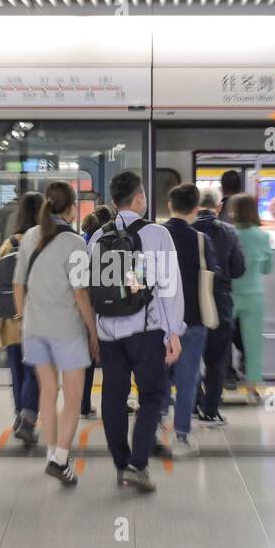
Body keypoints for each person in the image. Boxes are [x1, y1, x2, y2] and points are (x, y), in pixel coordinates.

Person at [88, 170, 183, 493]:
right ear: (140, 197)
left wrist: (94, 333)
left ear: (114, 202)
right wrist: (174, 333)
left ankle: (120, 464)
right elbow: (170, 288)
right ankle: (137, 464)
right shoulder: (157, 234)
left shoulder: (97, 237)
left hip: (108, 332)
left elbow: (90, 287)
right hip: (145, 330)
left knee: (113, 399)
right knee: (153, 395)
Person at [13, 181, 97, 485]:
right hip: (66, 330)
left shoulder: (30, 236)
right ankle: (61, 459)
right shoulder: (75, 242)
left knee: (48, 392)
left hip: (35, 328)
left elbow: (18, 284)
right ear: (72, 207)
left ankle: (51, 453)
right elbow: (81, 295)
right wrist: (93, 331)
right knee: (73, 396)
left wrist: (25, 318)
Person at [162, 184, 220, 457]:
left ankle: (156, 419)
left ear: (169, 205)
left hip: (158, 319)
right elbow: (213, 272)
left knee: (157, 371)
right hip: (192, 318)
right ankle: (181, 434)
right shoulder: (201, 240)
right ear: (196, 209)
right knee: (188, 376)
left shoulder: (156, 236)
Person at [192, 189, 244, 426]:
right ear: (218, 207)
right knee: (216, 358)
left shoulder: (186, 229)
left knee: (191, 357)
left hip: (190, 302)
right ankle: (211, 409)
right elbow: (238, 269)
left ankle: (192, 403)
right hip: (219, 300)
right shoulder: (228, 232)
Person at [0, 191, 44, 446]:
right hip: (34, 319)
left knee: (16, 370)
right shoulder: (40, 242)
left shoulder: (8, 244)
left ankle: (19, 415)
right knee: (34, 372)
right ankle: (28, 418)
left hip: (9, 322)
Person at [230, 193, 272, 404]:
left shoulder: (229, 233)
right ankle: (253, 387)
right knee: (253, 343)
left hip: (229, 293)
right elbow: (268, 268)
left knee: (221, 339)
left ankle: (222, 379)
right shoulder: (263, 236)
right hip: (254, 294)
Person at [78, 206, 114, 418]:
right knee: (109, 358)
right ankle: (114, 404)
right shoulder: (106, 242)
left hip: (82, 308)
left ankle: (83, 403)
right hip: (102, 307)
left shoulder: (81, 241)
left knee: (87, 360)